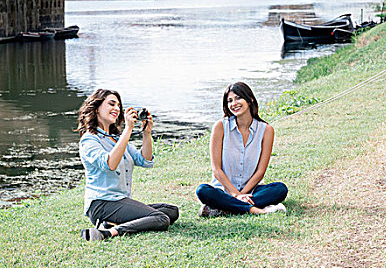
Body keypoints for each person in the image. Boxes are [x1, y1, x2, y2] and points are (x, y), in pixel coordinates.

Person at [77, 89, 178, 241]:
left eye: (118, 105)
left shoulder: (116, 138)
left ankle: (110, 224)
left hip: (120, 200)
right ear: (97, 108)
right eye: (111, 104)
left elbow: (145, 160)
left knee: (171, 211)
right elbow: (109, 163)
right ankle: (109, 232)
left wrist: (147, 133)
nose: (117, 109)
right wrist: (128, 129)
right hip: (102, 203)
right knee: (161, 218)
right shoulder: (89, 140)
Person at [196, 82, 288, 217]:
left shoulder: (266, 130)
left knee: (280, 189)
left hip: (252, 190)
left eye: (238, 98)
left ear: (250, 100)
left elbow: (260, 171)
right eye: (230, 101)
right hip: (223, 190)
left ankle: (224, 208)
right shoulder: (221, 127)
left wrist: (243, 194)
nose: (234, 103)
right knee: (203, 190)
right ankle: (255, 209)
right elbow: (217, 170)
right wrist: (236, 195)